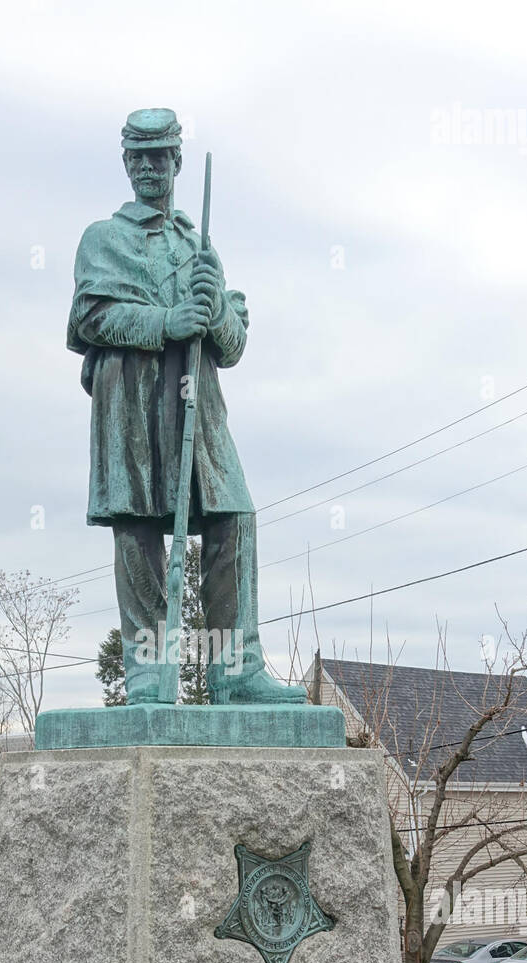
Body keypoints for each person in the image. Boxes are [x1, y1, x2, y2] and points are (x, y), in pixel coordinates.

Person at [67, 107, 304, 705]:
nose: (149, 167)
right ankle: (150, 671)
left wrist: (220, 310)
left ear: (176, 161)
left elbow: (230, 346)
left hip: (199, 404)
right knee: (140, 528)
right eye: (138, 157)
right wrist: (167, 320)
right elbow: (90, 318)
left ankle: (236, 672)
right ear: (126, 164)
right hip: (133, 404)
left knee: (234, 516)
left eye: (160, 155)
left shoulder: (200, 248)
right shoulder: (104, 239)